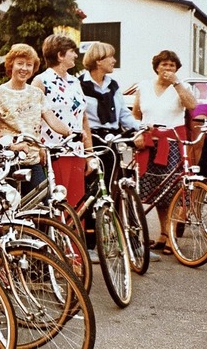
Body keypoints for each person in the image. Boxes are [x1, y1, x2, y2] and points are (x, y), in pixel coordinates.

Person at [78, 42, 161, 262]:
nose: (114, 61)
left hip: (115, 142)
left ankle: (135, 246)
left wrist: (140, 126)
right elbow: (80, 117)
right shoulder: (80, 85)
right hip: (94, 142)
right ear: (98, 61)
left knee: (124, 192)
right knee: (93, 193)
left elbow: (124, 114)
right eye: (111, 57)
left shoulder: (113, 85)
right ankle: (90, 245)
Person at [132, 49, 196, 255]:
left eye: (172, 66)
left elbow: (192, 105)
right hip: (149, 141)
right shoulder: (144, 86)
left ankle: (170, 235)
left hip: (172, 141)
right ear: (156, 67)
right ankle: (163, 233)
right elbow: (136, 114)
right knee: (158, 190)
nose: (168, 69)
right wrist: (138, 133)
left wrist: (177, 83)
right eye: (164, 65)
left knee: (173, 188)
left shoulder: (181, 86)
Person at [0, 43, 71, 195]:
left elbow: (52, 120)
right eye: (20, 63)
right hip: (8, 162)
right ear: (11, 65)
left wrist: (70, 132)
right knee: (11, 210)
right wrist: (10, 144)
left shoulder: (36, 94)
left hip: (33, 160)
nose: (24, 68)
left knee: (42, 208)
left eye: (29, 65)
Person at [32, 34, 94, 209]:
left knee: (77, 205)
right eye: (72, 51)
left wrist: (89, 153)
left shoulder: (75, 81)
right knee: (60, 204)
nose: (76, 55)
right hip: (55, 152)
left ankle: (74, 237)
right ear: (60, 55)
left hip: (77, 151)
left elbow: (83, 118)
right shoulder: (41, 81)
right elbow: (34, 117)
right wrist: (38, 147)